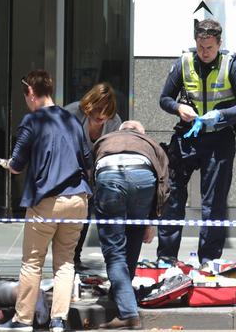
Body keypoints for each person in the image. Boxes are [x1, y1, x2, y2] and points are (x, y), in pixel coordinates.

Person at [0, 70, 92, 332]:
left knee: (32, 262)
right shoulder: (72, 120)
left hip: (46, 201)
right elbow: (87, 160)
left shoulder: (32, 121)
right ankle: (58, 320)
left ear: (30, 92)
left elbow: (17, 164)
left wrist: (7, 165)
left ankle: (23, 320)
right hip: (77, 200)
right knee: (65, 263)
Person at [157, 18, 236, 263]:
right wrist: (178, 107)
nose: (204, 52)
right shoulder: (184, 62)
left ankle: (209, 260)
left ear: (219, 43)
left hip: (219, 140)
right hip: (187, 137)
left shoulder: (231, 64)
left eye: (209, 47)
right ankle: (166, 258)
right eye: (200, 47)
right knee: (172, 197)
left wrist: (222, 115)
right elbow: (164, 99)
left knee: (214, 203)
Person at [92, 121, 169, 329]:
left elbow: (92, 173)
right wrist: (151, 221)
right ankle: (122, 292)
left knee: (114, 251)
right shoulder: (150, 143)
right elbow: (163, 183)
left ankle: (128, 313)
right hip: (143, 178)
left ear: (121, 131)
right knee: (135, 232)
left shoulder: (105, 140)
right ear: (141, 133)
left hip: (110, 177)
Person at [65, 82, 122, 269]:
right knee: (76, 213)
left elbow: (116, 150)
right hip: (72, 169)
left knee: (91, 215)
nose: (101, 115)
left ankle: (77, 257)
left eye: (106, 111)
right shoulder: (72, 113)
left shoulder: (115, 122)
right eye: (97, 109)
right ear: (89, 106)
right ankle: (68, 258)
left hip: (100, 171)